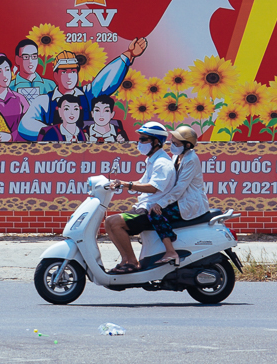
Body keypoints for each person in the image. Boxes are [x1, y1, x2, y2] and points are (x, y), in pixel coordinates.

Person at [18, 38, 147, 141]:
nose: (69, 76)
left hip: (86, 159)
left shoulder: (87, 94)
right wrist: (56, 133)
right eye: (64, 72)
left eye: (73, 71)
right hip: (55, 161)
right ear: (56, 75)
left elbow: (104, 81)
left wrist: (128, 55)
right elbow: (25, 125)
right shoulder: (44, 101)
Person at [103, 121, 175, 274]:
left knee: (114, 222)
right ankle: (125, 259)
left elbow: (153, 187)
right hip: (144, 207)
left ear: (156, 142)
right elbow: (142, 182)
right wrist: (120, 184)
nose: (139, 143)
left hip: (151, 211)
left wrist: (127, 184)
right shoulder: (152, 160)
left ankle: (133, 262)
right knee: (108, 222)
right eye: (139, 139)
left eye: (143, 139)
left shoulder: (162, 163)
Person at [141, 125, 210, 266]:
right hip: (179, 200)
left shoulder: (191, 159)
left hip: (190, 202)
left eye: (176, 143)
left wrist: (160, 203)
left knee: (154, 213)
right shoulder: (176, 157)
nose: (172, 145)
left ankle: (171, 251)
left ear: (187, 145)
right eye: (172, 142)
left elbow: (179, 188)